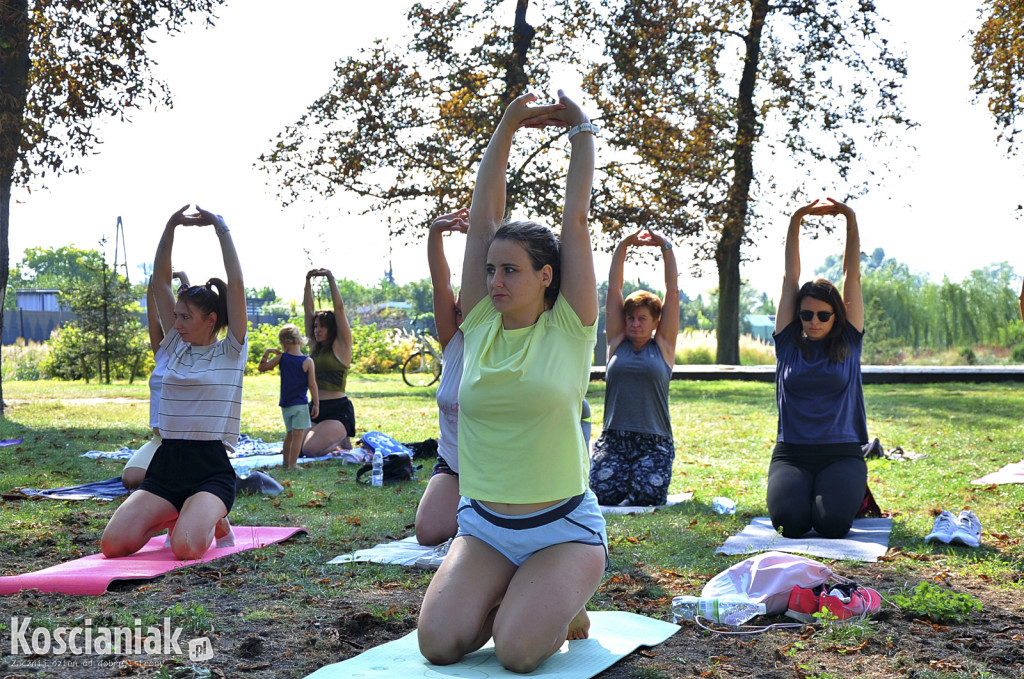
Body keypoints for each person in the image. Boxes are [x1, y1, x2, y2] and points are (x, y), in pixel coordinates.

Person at [418, 90, 605, 673]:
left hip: (563, 529)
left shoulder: (570, 326)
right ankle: (520, 595)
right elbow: (483, 217)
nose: (496, 280)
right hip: (485, 528)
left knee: (519, 653)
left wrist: (581, 130)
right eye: (491, 269)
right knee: (439, 645)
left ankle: (558, 597)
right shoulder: (479, 324)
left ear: (546, 276)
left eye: (511, 271)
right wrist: (507, 124)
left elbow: (575, 218)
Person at [101, 205, 245, 560]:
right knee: (113, 545)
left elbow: (237, 285)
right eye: (176, 315)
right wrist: (170, 227)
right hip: (167, 464)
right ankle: (179, 513)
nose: (176, 323)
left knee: (186, 548)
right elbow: (159, 282)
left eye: (185, 317)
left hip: (209, 468)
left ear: (211, 320)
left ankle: (210, 517)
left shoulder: (231, 351)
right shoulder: (175, 348)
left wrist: (220, 229)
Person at [766, 197, 867, 539]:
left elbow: (851, 275)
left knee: (833, 526)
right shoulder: (789, 343)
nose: (814, 321)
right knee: (789, 525)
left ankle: (836, 493)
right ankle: (804, 492)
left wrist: (849, 218)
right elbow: (789, 278)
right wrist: (796, 219)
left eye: (823, 315)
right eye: (806, 314)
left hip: (842, 453)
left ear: (836, 315)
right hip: (792, 453)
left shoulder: (849, 342)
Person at [589, 228, 679, 506]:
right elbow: (614, 287)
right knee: (603, 494)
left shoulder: (663, 346)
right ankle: (619, 471)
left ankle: (638, 476)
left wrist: (665, 247)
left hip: (654, 441)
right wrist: (623, 245)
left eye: (642, 318)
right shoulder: (617, 342)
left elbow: (672, 291)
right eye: (630, 317)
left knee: (646, 497)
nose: (634, 324)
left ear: (655, 322)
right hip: (615, 439)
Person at [414, 207, 468, 547]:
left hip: (499, 470)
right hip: (453, 463)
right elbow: (441, 283)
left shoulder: (505, 345)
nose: (458, 308)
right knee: (429, 533)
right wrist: (436, 233)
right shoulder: (453, 342)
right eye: (458, 306)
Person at [121, 270, 189, 491]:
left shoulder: (195, 354)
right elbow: (153, 318)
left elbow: (194, 307)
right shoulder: (162, 354)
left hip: (187, 443)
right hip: (159, 440)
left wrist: (185, 279)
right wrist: (153, 282)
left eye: (181, 318)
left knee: (158, 483)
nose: (176, 324)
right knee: (131, 479)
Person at [302, 268, 355, 454]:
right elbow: (307, 310)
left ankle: (342, 436)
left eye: (323, 326)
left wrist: (330, 278)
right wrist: (308, 280)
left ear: (331, 329)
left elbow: (339, 309)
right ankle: (330, 437)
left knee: (309, 450)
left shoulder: (341, 347)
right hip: (315, 408)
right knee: (295, 449)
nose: (317, 329)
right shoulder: (315, 347)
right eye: (316, 326)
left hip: (337, 411)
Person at [258, 324, 320, 470]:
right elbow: (312, 384)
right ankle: (293, 465)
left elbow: (262, 368)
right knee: (298, 435)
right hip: (300, 404)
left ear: (283, 344)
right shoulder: (307, 361)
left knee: (290, 435)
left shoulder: (282, 358)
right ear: (299, 341)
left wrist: (267, 352)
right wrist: (316, 403)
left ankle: (286, 462)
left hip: (286, 404)